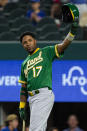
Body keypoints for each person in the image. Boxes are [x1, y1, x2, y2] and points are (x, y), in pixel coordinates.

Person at [18, 4, 79, 131]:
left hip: (43, 94)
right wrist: (22, 105)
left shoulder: (46, 52)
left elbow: (63, 45)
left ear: (35, 41)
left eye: (29, 40)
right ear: (23, 46)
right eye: (24, 42)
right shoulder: (24, 63)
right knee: (39, 128)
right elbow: (23, 88)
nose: (27, 43)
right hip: (32, 98)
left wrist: (72, 31)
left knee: (35, 129)